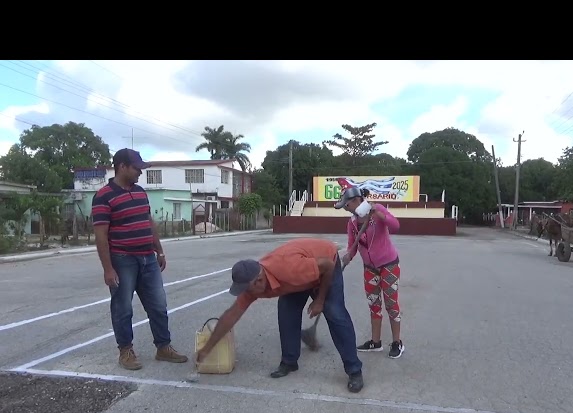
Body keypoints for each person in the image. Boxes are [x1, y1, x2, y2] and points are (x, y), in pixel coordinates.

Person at [194, 237, 365, 393]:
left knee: (335, 313)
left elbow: (327, 266)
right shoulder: (253, 286)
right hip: (299, 277)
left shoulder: (288, 268)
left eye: (247, 289)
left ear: (259, 280)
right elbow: (231, 315)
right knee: (287, 313)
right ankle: (289, 362)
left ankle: (354, 370)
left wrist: (320, 300)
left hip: (325, 263)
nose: (246, 294)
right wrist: (206, 349)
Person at [91, 148, 188, 370]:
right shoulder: (104, 196)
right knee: (123, 307)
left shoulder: (141, 192)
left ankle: (163, 347)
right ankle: (126, 351)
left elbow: (149, 222)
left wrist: (159, 250)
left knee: (159, 305)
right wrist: (108, 269)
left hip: (148, 258)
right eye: (137, 168)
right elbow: (101, 235)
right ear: (122, 166)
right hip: (122, 260)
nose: (140, 173)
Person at [334, 186, 405, 359]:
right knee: (374, 304)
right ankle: (376, 342)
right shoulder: (352, 222)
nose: (345, 208)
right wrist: (348, 255)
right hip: (369, 268)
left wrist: (378, 214)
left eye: (347, 204)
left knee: (391, 304)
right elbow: (353, 244)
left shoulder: (377, 209)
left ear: (357, 201)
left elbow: (395, 226)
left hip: (388, 265)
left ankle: (397, 343)